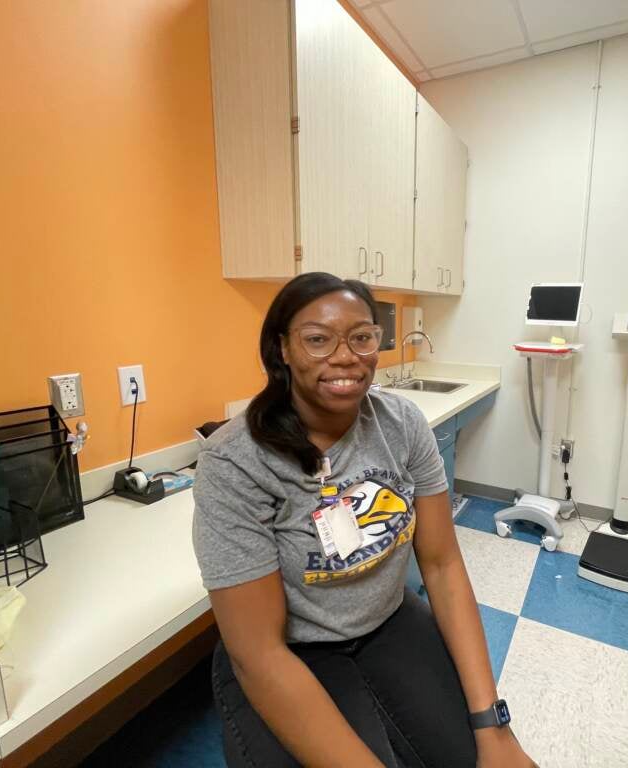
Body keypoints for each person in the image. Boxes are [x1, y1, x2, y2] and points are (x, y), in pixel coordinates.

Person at [192, 272, 536, 767]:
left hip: (391, 622)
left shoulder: (401, 424)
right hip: (293, 652)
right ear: (282, 349)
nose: (345, 356)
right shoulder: (236, 462)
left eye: (361, 337)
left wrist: (493, 726)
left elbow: (441, 566)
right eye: (317, 339)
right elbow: (260, 653)